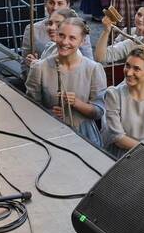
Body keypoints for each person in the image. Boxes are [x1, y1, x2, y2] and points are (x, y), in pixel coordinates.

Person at [25, 17, 106, 146]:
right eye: (61, 35)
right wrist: (49, 114)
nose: (64, 42)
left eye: (72, 38)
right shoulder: (39, 68)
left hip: (85, 137)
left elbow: (99, 111)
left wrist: (77, 104)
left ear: (82, 41)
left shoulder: (93, 69)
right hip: (49, 135)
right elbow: (30, 108)